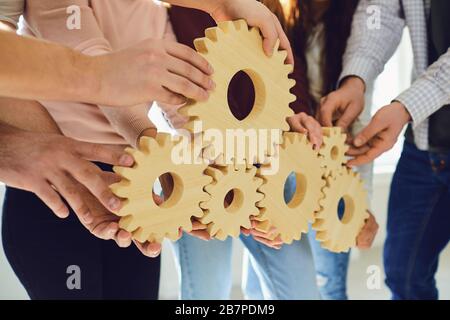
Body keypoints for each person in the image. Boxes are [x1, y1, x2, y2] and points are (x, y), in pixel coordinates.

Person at [1, 0, 294, 299]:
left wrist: (224, 189)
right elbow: (101, 72)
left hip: (127, 180)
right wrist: (155, 149)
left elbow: (184, 110)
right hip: (47, 182)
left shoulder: (157, 14)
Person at [160, 0, 378, 300]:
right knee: (206, 293)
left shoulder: (265, 6)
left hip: (267, 169)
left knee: (300, 290)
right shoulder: (171, 9)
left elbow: (286, 72)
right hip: (196, 171)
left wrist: (296, 115)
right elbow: (167, 95)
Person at [319, 0, 450, 299]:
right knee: (403, 275)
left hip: (416, 112)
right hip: (424, 145)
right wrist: (356, 80)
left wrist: (406, 107)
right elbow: (380, 13)